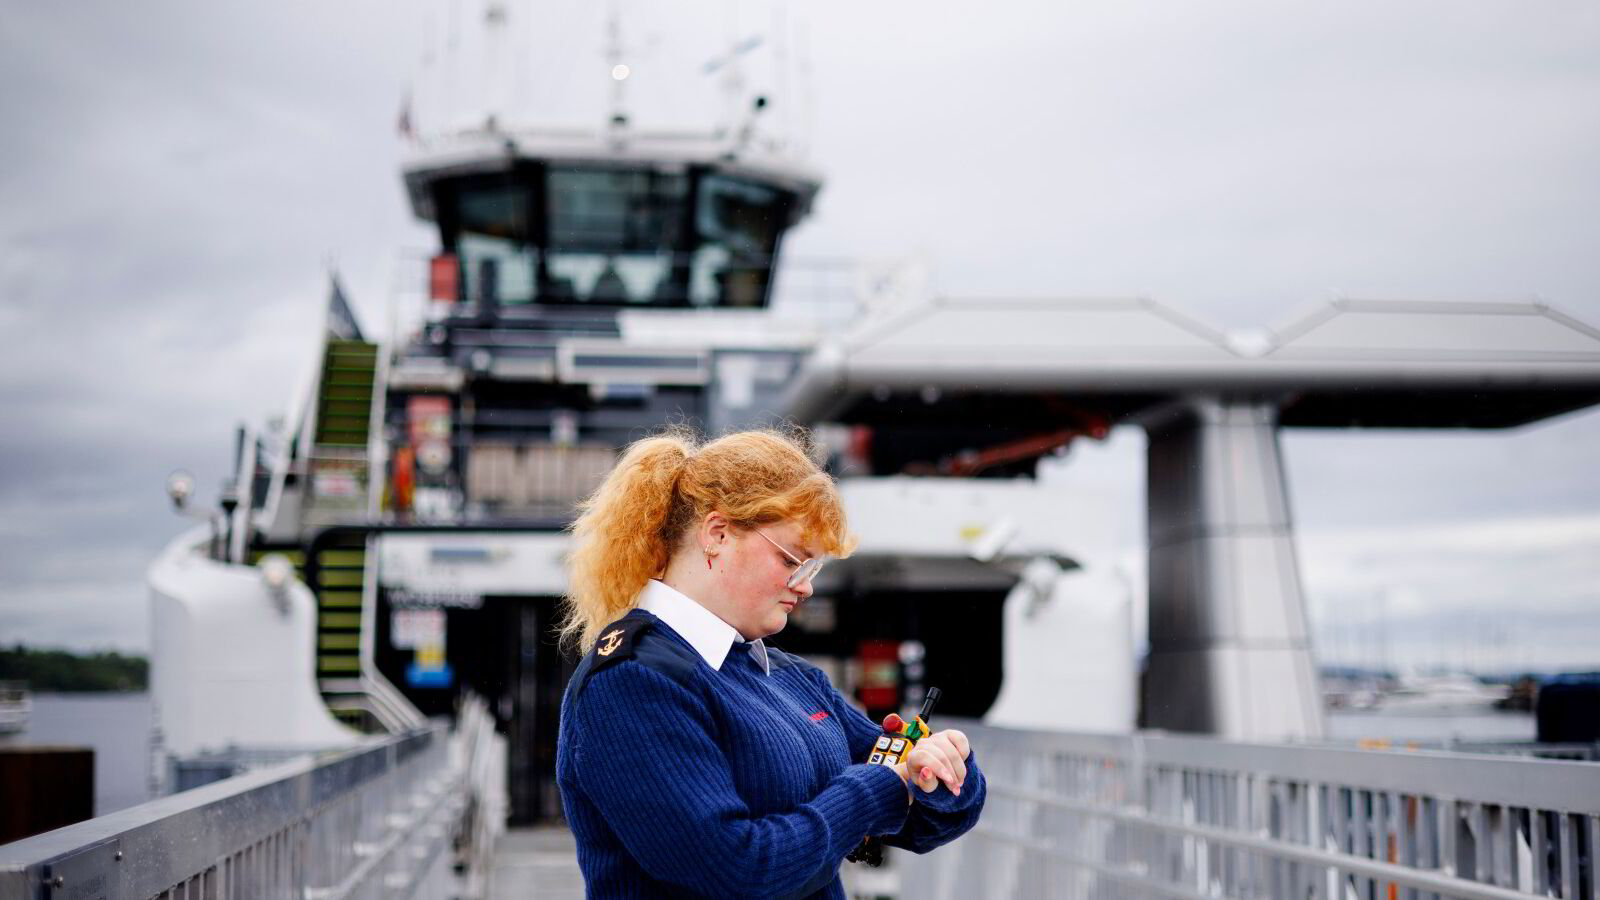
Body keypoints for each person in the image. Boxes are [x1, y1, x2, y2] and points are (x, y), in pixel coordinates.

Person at [556, 427, 985, 898]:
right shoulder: (631, 682)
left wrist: (943, 768)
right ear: (717, 534)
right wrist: (880, 788)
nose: (806, 587)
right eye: (792, 561)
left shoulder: (790, 677)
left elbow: (923, 814)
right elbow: (737, 869)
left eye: (812, 568)